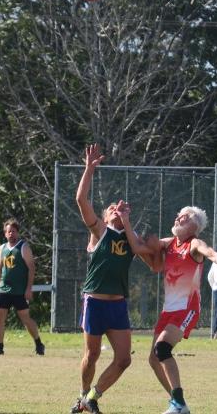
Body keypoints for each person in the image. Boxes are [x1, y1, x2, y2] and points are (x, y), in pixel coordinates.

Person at [120, 204, 217, 414]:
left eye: (184, 217)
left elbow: (211, 253)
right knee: (153, 358)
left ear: (195, 225)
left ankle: (178, 403)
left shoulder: (194, 244)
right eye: (178, 215)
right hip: (169, 310)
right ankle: (178, 403)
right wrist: (126, 221)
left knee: (163, 348)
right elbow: (139, 248)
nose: (178, 218)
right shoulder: (169, 243)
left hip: (187, 308)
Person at [70, 144, 155, 414]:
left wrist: (127, 222)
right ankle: (82, 393)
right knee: (92, 355)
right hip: (95, 302)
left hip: (117, 305)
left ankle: (92, 397)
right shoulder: (99, 232)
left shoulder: (130, 238)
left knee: (124, 360)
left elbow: (147, 253)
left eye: (118, 209)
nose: (115, 210)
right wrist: (89, 169)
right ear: (105, 217)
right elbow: (81, 200)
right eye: (110, 209)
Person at [0, 218, 45, 356]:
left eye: (14, 231)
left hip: (19, 291)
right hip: (4, 290)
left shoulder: (23, 247)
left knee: (25, 319)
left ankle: (38, 343)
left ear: (17, 233)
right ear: (5, 234)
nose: (11, 234)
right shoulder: (2, 248)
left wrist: (28, 288)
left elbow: (31, 268)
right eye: (9, 231)